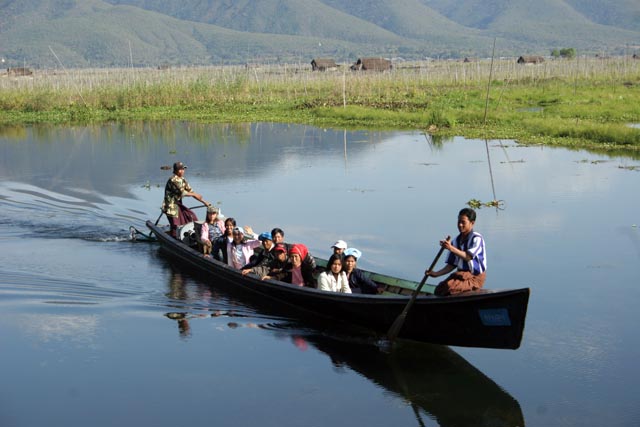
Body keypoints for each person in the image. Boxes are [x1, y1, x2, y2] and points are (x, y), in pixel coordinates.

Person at [425, 208, 487, 296]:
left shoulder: (477, 238)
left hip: (474, 277)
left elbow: (468, 257)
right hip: (460, 275)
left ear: (472, 223)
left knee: (450, 288)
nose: (460, 225)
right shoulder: (456, 241)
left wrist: (451, 248)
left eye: (463, 222)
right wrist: (436, 274)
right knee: (439, 289)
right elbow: (452, 265)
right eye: (458, 222)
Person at [162, 161, 211, 238]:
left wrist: (204, 202)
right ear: (175, 171)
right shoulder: (173, 180)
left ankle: (189, 236)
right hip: (171, 206)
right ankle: (174, 239)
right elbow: (182, 192)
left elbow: (191, 192)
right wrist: (194, 194)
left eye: (183, 169)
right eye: (180, 169)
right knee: (176, 225)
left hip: (178, 204)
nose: (182, 171)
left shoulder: (183, 180)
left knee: (191, 216)